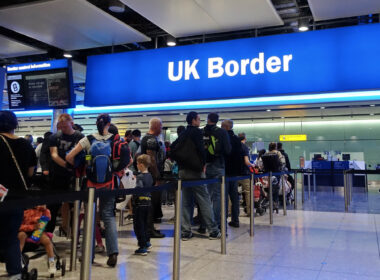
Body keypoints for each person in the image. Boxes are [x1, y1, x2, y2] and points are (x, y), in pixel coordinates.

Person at [66, 113, 120, 267]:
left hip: (90, 185)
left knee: (89, 218)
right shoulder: (115, 139)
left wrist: (82, 168)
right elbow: (126, 160)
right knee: (108, 215)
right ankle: (113, 252)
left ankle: (88, 255)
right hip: (109, 184)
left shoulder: (88, 139)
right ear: (109, 124)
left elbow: (70, 157)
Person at [171, 111, 221, 240]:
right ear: (193, 120)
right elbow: (201, 150)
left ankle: (185, 231)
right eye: (198, 119)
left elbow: (172, 148)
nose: (200, 121)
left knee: (186, 202)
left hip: (182, 171)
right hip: (196, 172)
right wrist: (203, 163)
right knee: (204, 200)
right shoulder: (197, 132)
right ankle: (213, 230)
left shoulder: (183, 133)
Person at [0, 111, 37, 280]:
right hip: (16, 197)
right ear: (15, 125)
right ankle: (15, 273)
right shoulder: (26, 144)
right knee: (11, 235)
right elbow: (30, 172)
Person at [47, 113, 84, 234]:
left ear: (71, 124)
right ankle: (48, 234)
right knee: (52, 207)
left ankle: (74, 235)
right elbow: (54, 154)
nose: (62, 129)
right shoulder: (54, 137)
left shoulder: (80, 137)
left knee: (75, 207)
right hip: (58, 175)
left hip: (74, 177)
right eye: (61, 126)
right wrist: (66, 165)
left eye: (65, 126)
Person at [203, 112, 231, 229]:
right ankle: (216, 223)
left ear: (208, 119)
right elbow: (228, 150)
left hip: (205, 166)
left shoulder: (202, 131)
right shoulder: (222, 132)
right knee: (218, 196)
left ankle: (206, 223)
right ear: (217, 120)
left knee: (206, 195)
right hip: (218, 165)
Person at [140, 118, 166, 238]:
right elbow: (152, 160)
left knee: (151, 202)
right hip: (151, 176)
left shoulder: (149, 138)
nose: (161, 128)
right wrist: (157, 177)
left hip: (150, 175)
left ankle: (150, 228)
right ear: (156, 126)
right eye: (161, 126)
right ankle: (149, 229)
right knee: (151, 202)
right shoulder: (151, 139)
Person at [18, 205, 56, 275]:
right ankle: (18, 259)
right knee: (21, 236)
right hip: (24, 229)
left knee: (47, 241)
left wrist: (44, 210)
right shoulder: (23, 210)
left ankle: (51, 262)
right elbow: (19, 226)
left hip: (38, 231)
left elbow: (47, 218)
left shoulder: (42, 210)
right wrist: (32, 227)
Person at [221, 119, 243, 228]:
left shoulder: (224, 138)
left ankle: (223, 220)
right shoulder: (237, 140)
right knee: (234, 198)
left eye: (222, 126)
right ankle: (236, 220)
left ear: (226, 127)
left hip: (224, 172)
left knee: (224, 198)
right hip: (234, 173)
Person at [132, 154, 153, 255]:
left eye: (137, 163)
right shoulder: (150, 176)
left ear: (140, 165)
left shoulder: (139, 177)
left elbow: (139, 189)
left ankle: (142, 246)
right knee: (146, 224)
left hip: (139, 204)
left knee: (138, 225)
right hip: (148, 203)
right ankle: (147, 242)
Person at [237, 133, 255, 216]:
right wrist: (252, 165)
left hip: (234, 174)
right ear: (245, 138)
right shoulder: (244, 147)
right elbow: (246, 162)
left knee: (232, 193)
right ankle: (249, 211)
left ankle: (229, 211)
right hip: (244, 173)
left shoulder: (233, 146)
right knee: (248, 192)